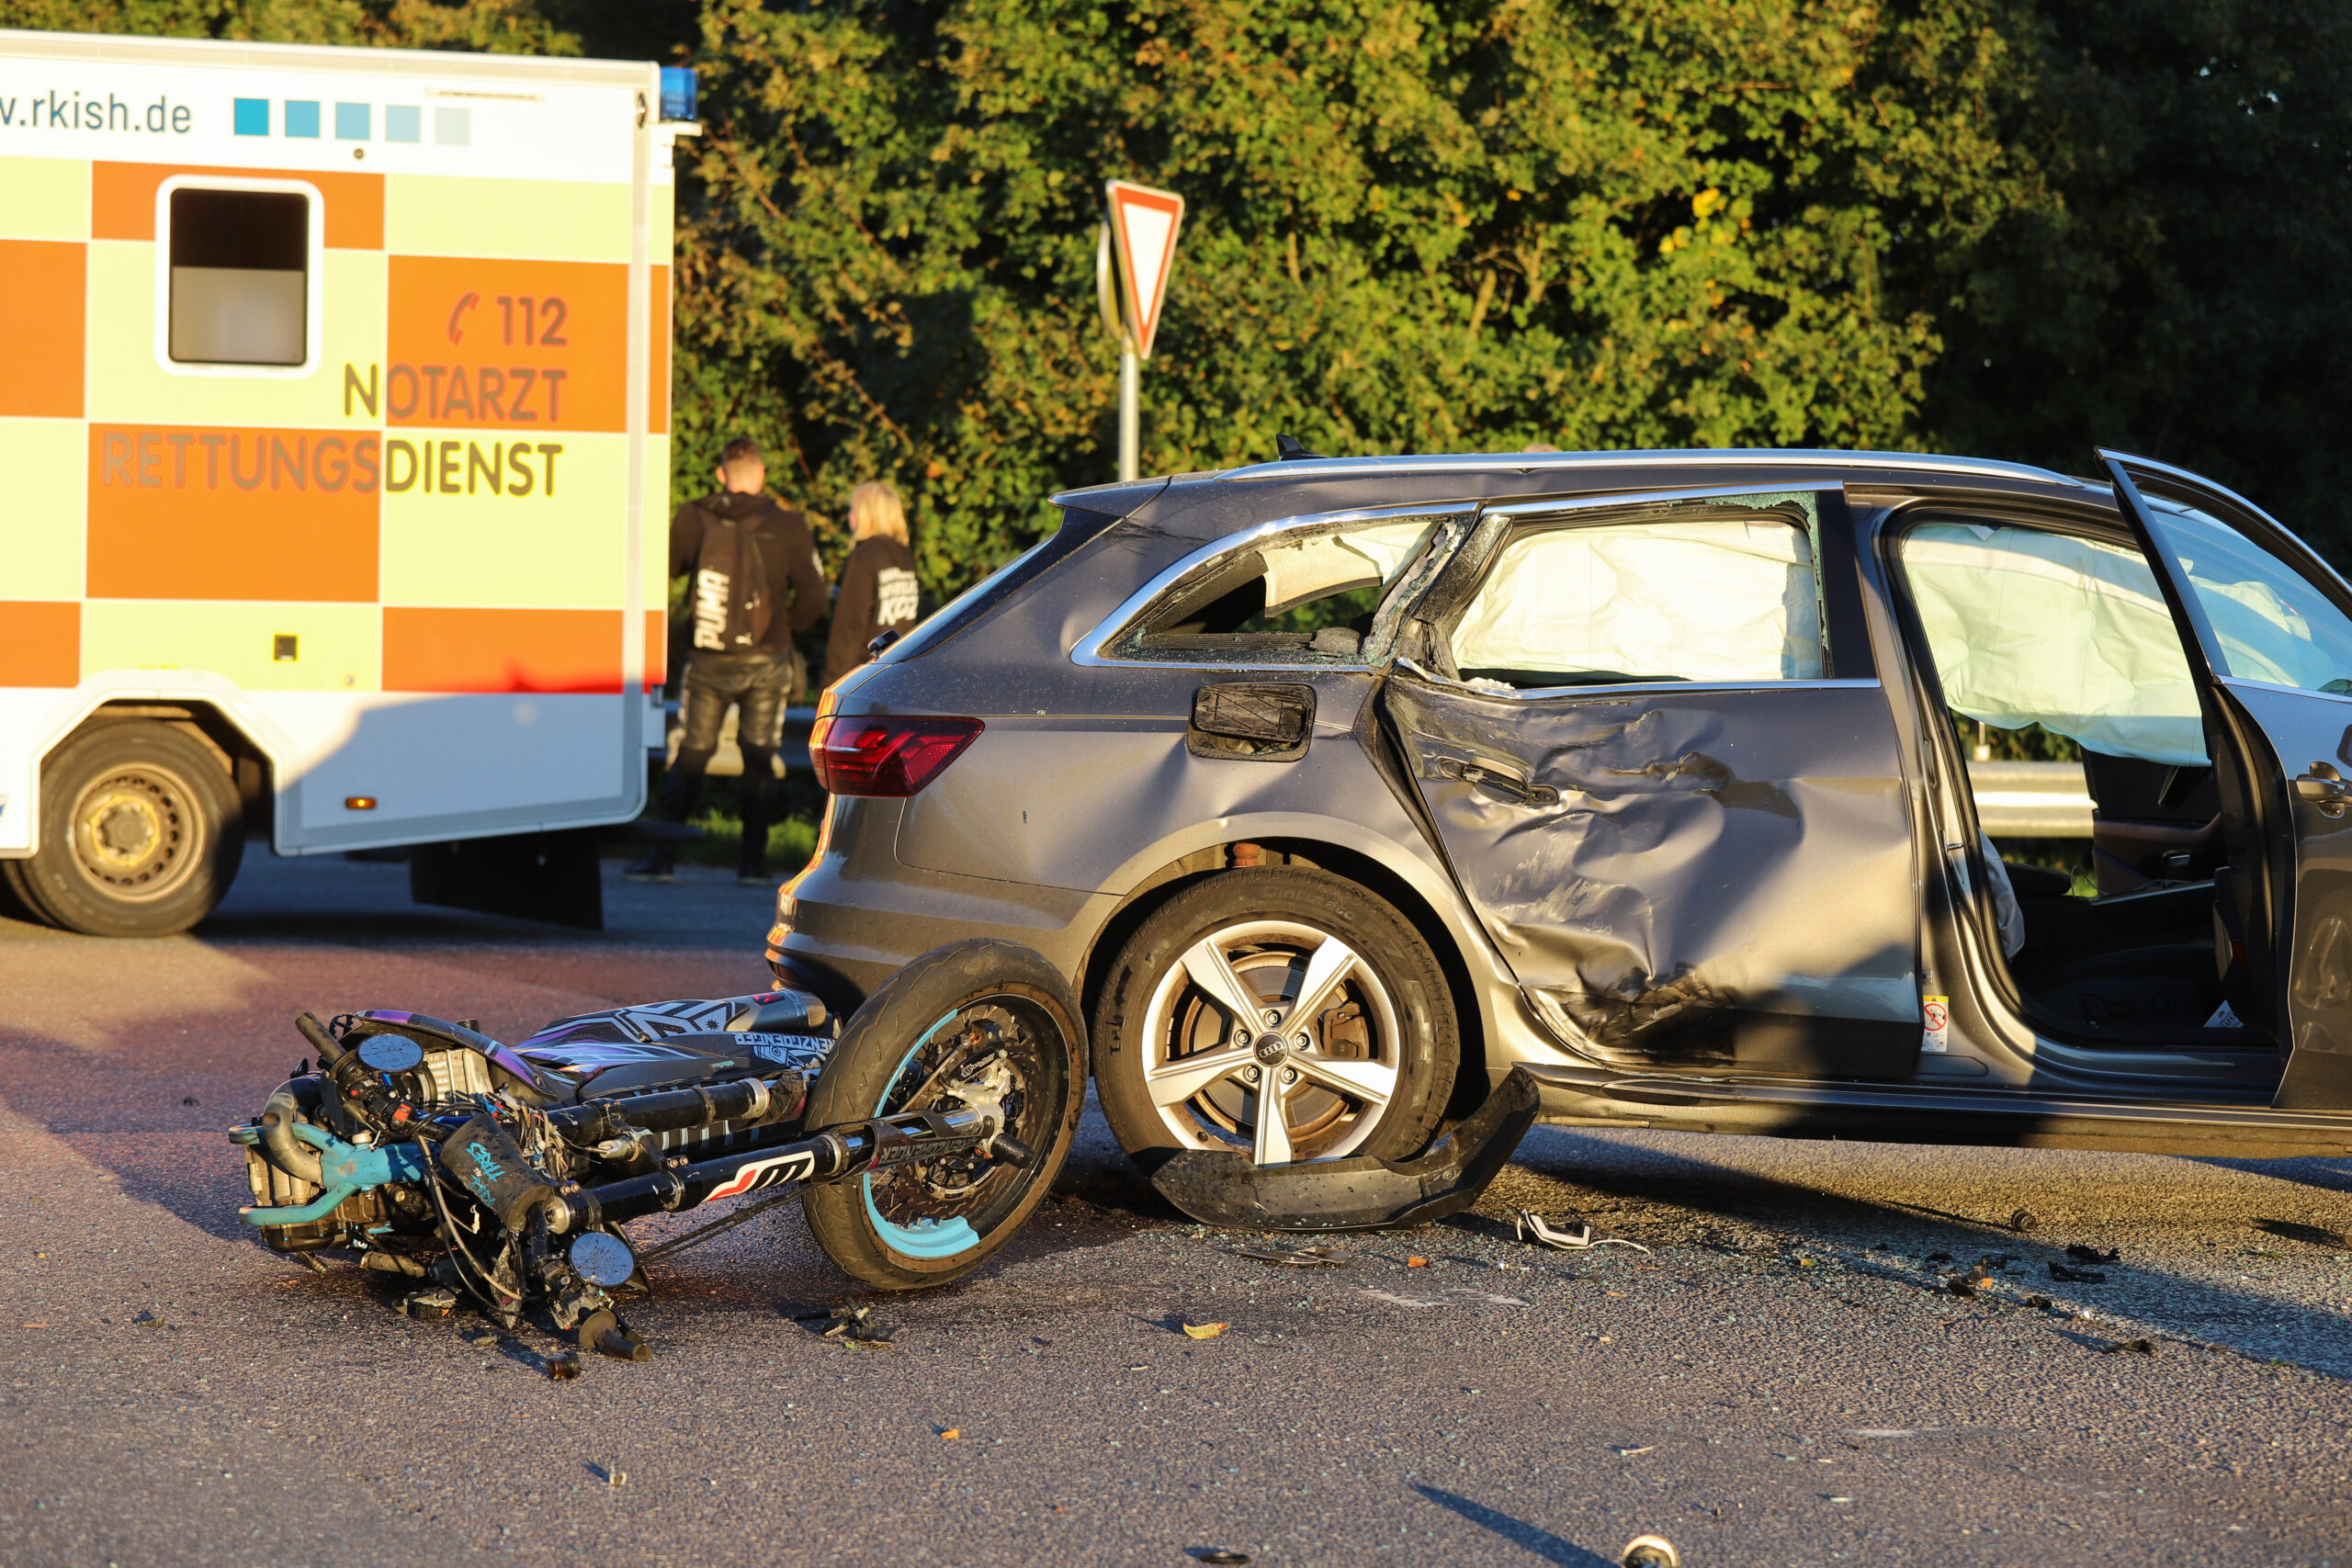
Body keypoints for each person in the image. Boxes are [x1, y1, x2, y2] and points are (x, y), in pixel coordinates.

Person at [626, 437, 825, 886]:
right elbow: (813, 599)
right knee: (759, 757)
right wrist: (783, 628)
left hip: (708, 658)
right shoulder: (789, 524)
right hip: (766, 659)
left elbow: (665, 569)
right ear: (761, 475)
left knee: (692, 754)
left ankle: (661, 857)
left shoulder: (694, 516)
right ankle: (752, 864)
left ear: (721, 475)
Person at [820, 479, 922, 689]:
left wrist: (831, 685)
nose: (849, 515)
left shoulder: (864, 558)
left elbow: (847, 631)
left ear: (866, 515)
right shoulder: (904, 558)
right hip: (895, 675)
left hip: (860, 679)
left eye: (853, 509)